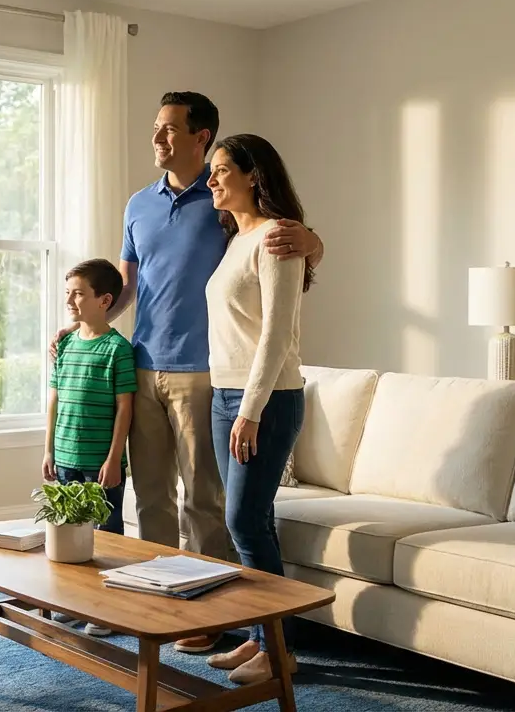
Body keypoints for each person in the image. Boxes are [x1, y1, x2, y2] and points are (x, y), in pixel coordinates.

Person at [51, 92, 322, 654]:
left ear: (202, 137)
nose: (157, 139)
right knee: (150, 497)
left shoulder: (223, 202)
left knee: (204, 499)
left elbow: (275, 248)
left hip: (208, 373)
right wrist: (83, 326)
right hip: (143, 363)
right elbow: (128, 287)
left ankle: (211, 613)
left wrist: (314, 242)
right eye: (156, 128)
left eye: (170, 129)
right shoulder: (137, 205)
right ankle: (157, 602)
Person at [201, 134, 309, 684]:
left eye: (221, 170)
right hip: (225, 395)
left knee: (244, 520)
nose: (212, 179)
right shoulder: (235, 239)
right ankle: (259, 638)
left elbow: (275, 335)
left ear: (253, 175)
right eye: (211, 170)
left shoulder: (276, 239)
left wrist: (250, 410)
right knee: (251, 520)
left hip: (264, 399)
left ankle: (278, 653)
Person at [42, 258, 137, 638]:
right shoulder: (63, 344)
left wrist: (115, 459)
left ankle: (107, 610)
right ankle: (73, 603)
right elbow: (54, 399)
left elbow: (124, 408)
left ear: (104, 299)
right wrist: (48, 450)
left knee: (106, 538)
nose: (70, 300)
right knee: (67, 539)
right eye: (68, 293)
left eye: (78, 293)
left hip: (101, 463)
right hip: (64, 458)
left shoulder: (118, 349)